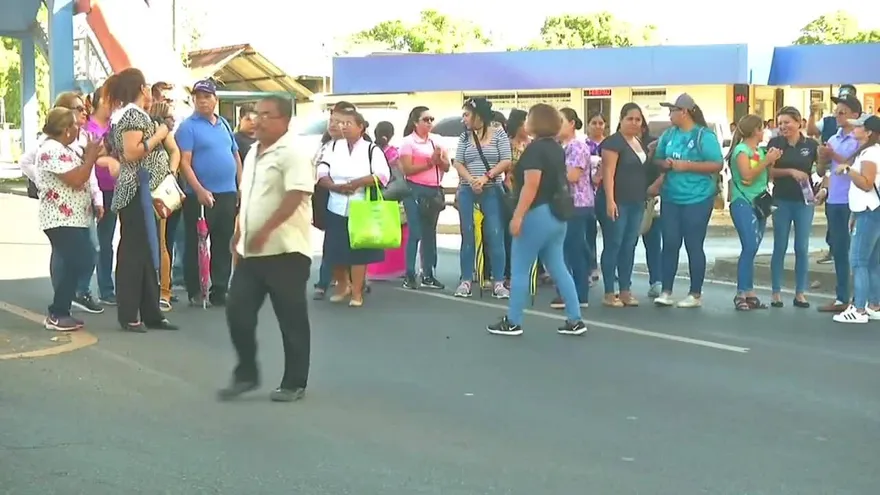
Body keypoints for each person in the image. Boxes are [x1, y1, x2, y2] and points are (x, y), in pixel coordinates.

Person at [218, 96, 313, 402]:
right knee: (237, 311)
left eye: (266, 115)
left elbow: (296, 195)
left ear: (284, 120)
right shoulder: (253, 152)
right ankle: (246, 373)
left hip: (286, 252)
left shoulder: (293, 152)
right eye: (256, 114)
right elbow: (248, 199)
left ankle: (294, 381)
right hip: (252, 252)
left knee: (291, 319)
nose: (257, 120)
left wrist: (267, 230)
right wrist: (240, 233)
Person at [487, 104, 587, 337]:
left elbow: (532, 185)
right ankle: (575, 318)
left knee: (520, 268)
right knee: (558, 266)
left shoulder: (534, 151)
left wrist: (518, 215)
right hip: (557, 214)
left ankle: (513, 321)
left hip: (536, 213)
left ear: (535, 122)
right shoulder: (556, 148)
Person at [106, 67, 177, 332]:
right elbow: (132, 152)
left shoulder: (130, 115)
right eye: (146, 86)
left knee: (147, 251)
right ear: (141, 88)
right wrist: (158, 135)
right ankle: (129, 314)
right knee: (134, 252)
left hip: (146, 190)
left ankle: (151, 312)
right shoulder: (132, 115)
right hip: (136, 190)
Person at [652, 93, 724, 308]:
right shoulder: (668, 134)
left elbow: (717, 164)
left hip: (698, 197)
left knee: (693, 244)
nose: (669, 114)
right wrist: (663, 163)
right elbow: (657, 157)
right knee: (670, 243)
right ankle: (666, 290)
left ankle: (695, 293)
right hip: (671, 196)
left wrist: (688, 166)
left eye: (672, 110)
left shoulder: (704, 135)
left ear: (684, 112)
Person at [176, 79, 243, 307]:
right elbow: (185, 163)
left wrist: (240, 185)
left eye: (207, 96)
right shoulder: (188, 127)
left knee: (223, 242)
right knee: (196, 243)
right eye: (198, 97)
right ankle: (196, 289)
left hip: (227, 192)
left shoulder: (223, 123)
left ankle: (220, 288)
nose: (203, 101)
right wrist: (199, 190)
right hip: (201, 195)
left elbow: (235, 155)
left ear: (216, 99)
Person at [35, 108, 102, 331]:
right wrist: (91, 157)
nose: (79, 128)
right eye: (75, 125)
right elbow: (76, 178)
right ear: (65, 130)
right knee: (79, 259)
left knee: (78, 260)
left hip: (74, 218)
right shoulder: (50, 150)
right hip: (60, 219)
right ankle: (57, 312)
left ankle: (61, 309)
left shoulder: (64, 148)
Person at [316, 109, 391, 307]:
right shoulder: (332, 146)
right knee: (334, 250)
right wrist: (333, 186)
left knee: (358, 252)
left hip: (361, 205)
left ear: (361, 127)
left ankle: (357, 292)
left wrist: (357, 183)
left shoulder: (371, 149)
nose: (344, 127)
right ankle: (343, 285)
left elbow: (382, 176)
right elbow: (321, 171)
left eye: (349, 123)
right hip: (336, 204)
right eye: (342, 123)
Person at [452, 97, 511, 299]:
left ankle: (499, 282)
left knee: (495, 234)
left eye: (467, 114)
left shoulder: (499, 134)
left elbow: (506, 160)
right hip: (468, 190)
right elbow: (458, 162)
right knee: (467, 234)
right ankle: (466, 280)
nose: (464, 119)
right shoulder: (464, 137)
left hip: (492, 189)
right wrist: (471, 180)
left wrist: (486, 177)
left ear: (478, 116)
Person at [727, 114, 779, 310]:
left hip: (759, 202)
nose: (763, 132)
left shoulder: (758, 151)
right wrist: (766, 161)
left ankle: (749, 291)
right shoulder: (741, 150)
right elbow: (747, 176)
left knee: (753, 247)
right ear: (754, 131)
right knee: (749, 246)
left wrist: (771, 160)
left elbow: (765, 176)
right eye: (760, 129)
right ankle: (741, 292)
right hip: (743, 202)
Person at [600, 103, 651, 308]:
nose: (634, 123)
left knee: (630, 245)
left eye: (638, 119)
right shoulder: (613, 143)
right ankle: (609, 291)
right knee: (614, 244)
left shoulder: (638, 142)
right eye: (630, 118)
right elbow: (608, 174)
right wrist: (610, 200)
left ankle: (625, 289)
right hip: (618, 200)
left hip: (637, 200)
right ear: (621, 120)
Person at [767, 107, 818, 308]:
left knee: (802, 247)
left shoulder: (811, 145)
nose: (783, 127)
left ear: (798, 123)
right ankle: (776, 292)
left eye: (787, 122)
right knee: (780, 246)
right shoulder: (775, 143)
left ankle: (800, 293)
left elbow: (821, 169)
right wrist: (790, 171)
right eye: (780, 123)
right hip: (781, 199)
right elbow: (768, 171)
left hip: (804, 200)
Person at [816, 94, 862, 313]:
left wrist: (832, 154)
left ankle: (863, 299)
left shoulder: (860, 139)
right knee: (839, 250)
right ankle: (842, 296)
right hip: (834, 199)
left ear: (855, 115)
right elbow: (823, 171)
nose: (837, 116)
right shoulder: (833, 138)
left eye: (842, 112)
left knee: (859, 253)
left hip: (852, 201)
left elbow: (853, 165)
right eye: (836, 112)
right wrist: (822, 158)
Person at [832, 115, 880, 323]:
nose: (855, 128)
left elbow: (867, 183)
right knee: (872, 262)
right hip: (869, 210)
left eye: (860, 126)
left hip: (869, 211)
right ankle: (874, 304)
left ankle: (859, 309)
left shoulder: (870, 153)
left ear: (869, 132)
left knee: (859, 260)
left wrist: (848, 170)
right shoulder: (872, 151)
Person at [311, 101, 356, 299]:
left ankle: (346, 280)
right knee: (331, 240)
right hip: (325, 195)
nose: (333, 125)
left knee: (347, 241)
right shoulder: (325, 145)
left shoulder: (357, 146)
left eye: (339, 121)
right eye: (331, 120)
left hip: (350, 198)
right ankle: (328, 280)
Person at [399, 106, 448, 289]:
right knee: (415, 232)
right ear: (415, 122)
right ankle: (409, 273)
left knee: (430, 234)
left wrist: (439, 160)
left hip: (433, 190)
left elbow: (447, 167)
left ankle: (428, 273)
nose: (429, 123)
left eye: (431, 119)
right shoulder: (408, 142)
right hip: (414, 190)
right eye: (425, 120)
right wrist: (429, 162)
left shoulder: (437, 142)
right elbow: (407, 169)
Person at [552, 107, 591, 309]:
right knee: (566, 248)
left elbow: (573, 176)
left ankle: (578, 293)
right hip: (564, 202)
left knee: (573, 248)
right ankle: (569, 291)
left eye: (561, 121)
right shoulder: (560, 146)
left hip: (576, 203)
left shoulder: (577, 147)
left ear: (572, 123)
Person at [147, 101, 183, 311]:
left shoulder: (161, 129)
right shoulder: (145, 127)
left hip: (160, 193)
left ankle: (164, 292)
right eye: (170, 116)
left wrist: (170, 174)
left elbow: (175, 151)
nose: (173, 121)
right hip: (139, 191)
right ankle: (151, 289)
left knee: (162, 243)